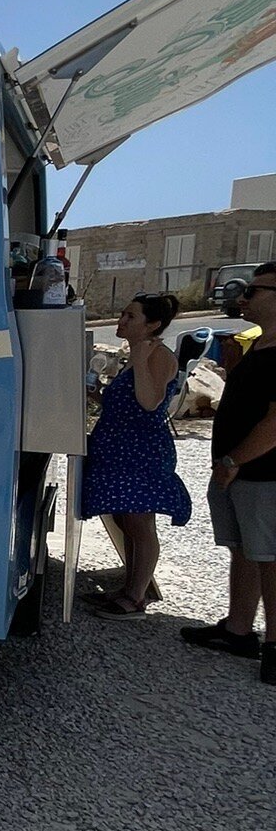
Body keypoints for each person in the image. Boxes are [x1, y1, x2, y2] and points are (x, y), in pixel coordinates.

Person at [181, 260, 276, 683]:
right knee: (243, 549)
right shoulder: (258, 344)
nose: (244, 298)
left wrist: (235, 461)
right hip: (238, 472)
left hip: (263, 474)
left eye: (255, 292)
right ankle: (239, 629)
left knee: (271, 559)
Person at [81, 291, 190, 614]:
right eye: (123, 314)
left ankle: (137, 596)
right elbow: (127, 405)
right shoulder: (136, 354)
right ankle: (129, 587)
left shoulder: (157, 356)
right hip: (120, 449)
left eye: (131, 316)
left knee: (140, 523)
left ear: (152, 324)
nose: (121, 321)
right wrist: (98, 395)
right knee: (127, 520)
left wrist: (140, 361)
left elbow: (149, 402)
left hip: (141, 452)